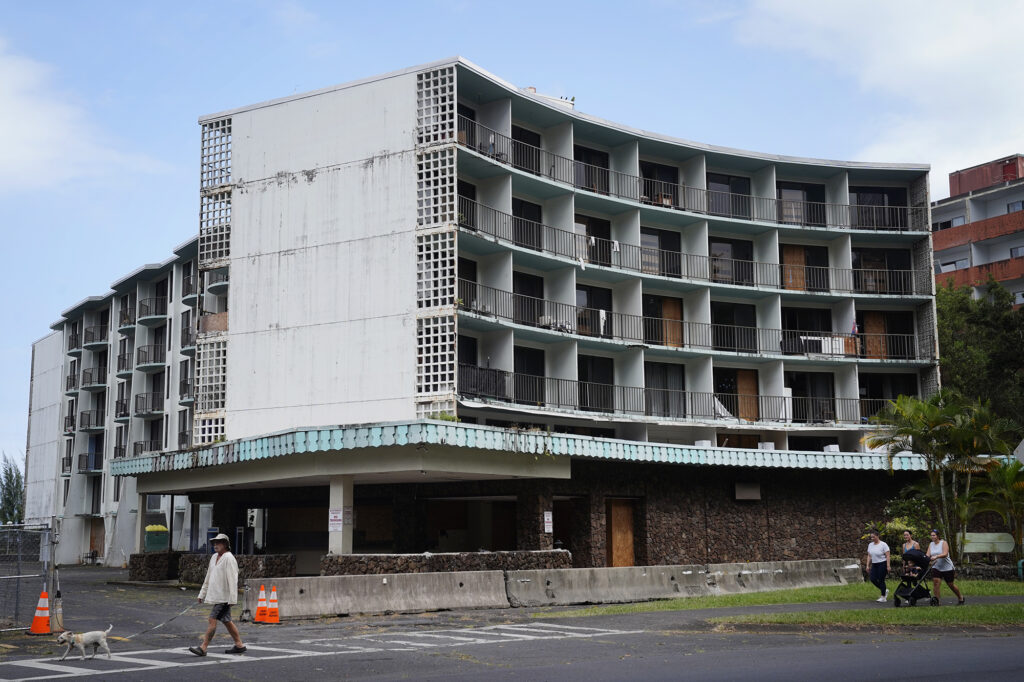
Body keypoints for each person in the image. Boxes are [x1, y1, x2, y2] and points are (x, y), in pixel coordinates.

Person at [189, 533, 247, 656]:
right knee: (227, 621)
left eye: (219, 542)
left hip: (224, 598)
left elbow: (233, 579)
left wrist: (233, 598)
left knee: (212, 619)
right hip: (217, 596)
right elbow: (208, 577)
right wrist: (202, 594)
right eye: (214, 543)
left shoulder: (229, 558)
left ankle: (203, 647)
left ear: (225, 544)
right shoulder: (214, 557)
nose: (216, 545)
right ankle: (239, 645)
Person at [926, 529, 965, 606]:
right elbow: (927, 555)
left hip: (947, 567)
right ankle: (937, 602)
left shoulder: (943, 543)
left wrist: (936, 556)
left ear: (938, 536)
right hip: (936, 567)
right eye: (931, 535)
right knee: (936, 582)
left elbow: (945, 554)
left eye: (934, 535)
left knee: (950, 584)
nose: (932, 537)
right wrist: (927, 560)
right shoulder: (931, 544)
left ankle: (960, 597)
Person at [864, 530, 890, 602]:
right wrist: (867, 566)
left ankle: (883, 597)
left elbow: (887, 556)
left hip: (882, 563)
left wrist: (888, 566)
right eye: (871, 537)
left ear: (877, 536)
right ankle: (884, 590)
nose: (872, 538)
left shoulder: (883, 544)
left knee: (881, 580)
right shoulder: (870, 545)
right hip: (874, 564)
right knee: (872, 579)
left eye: (873, 537)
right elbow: (869, 556)